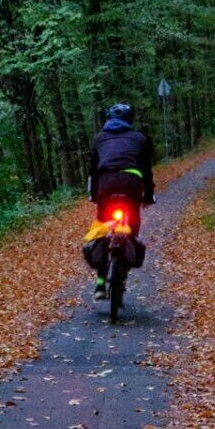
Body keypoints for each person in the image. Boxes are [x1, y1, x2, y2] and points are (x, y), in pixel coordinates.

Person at [87, 103, 155, 300]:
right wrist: (148, 196)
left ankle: (100, 283)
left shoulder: (99, 138)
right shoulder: (140, 138)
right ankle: (125, 262)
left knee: (101, 227)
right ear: (130, 120)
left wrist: (93, 194)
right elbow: (146, 170)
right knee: (132, 226)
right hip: (131, 183)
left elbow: (93, 171)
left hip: (106, 183)